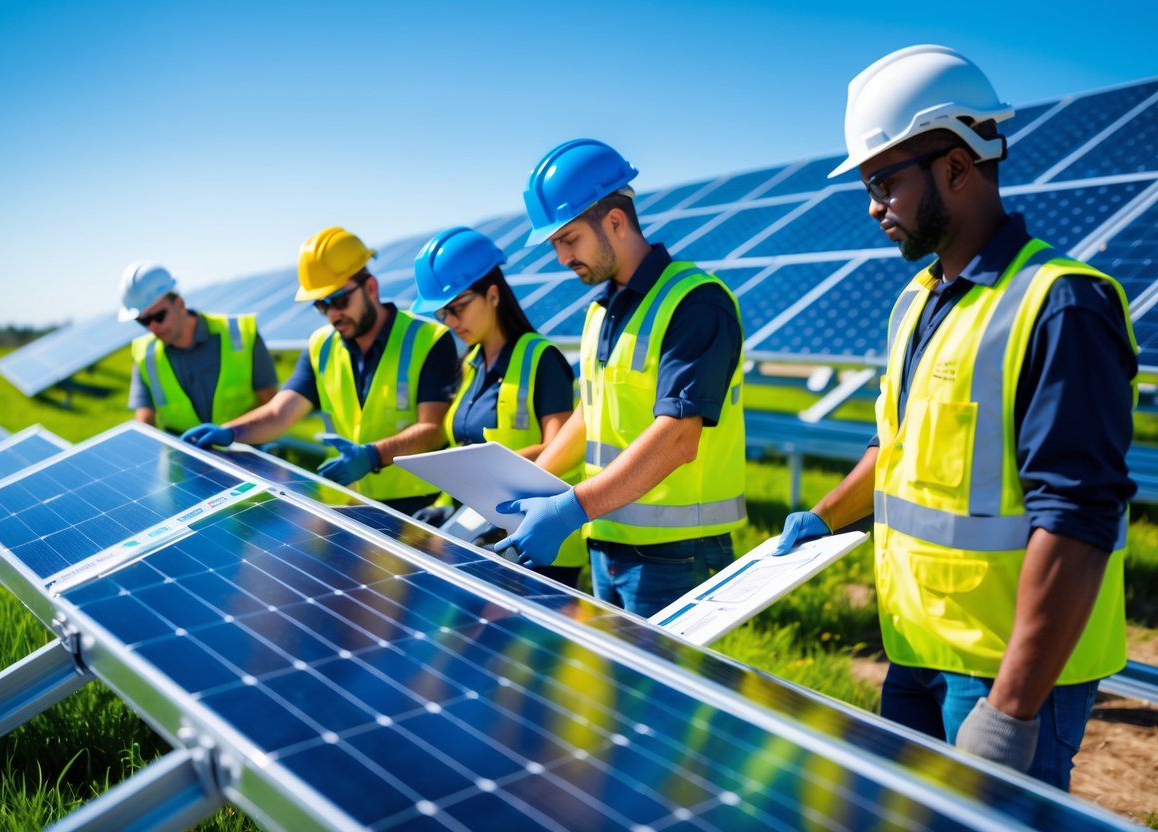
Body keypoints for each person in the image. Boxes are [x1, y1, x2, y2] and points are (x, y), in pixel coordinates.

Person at [775, 45, 1137, 789]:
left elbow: (1076, 517)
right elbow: (897, 445)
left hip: (1007, 676)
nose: (872, 207)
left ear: (957, 166)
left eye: (883, 182)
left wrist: (1008, 711)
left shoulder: (1061, 304)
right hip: (916, 653)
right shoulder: (917, 301)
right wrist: (826, 514)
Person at [495, 138, 747, 617]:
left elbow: (678, 439)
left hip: (677, 553)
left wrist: (571, 508)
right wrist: (526, 489)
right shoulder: (602, 310)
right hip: (605, 537)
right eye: (555, 245)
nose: (561, 259)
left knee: (665, 692)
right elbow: (592, 414)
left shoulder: (696, 302)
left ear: (615, 221)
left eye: (568, 240)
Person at [181, 226, 459, 515]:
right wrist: (230, 432)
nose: (333, 314)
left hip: (420, 508)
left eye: (339, 300)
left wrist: (372, 455)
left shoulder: (428, 339)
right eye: (321, 305)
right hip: (351, 504)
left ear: (371, 287)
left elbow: (434, 430)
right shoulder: (321, 346)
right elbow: (280, 413)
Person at [408, 225, 584, 586]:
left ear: (491, 294)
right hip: (480, 535)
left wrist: (489, 478)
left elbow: (559, 447)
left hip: (539, 547)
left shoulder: (541, 359)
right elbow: (464, 450)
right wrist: (447, 502)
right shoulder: (470, 364)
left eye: (457, 308)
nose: (451, 322)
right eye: (443, 314)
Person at [120, 262, 277, 434]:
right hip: (182, 457)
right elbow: (145, 419)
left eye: (158, 316)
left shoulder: (240, 333)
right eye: (143, 321)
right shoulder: (145, 355)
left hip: (245, 450)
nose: (153, 327)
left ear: (179, 304)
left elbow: (268, 398)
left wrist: (228, 435)